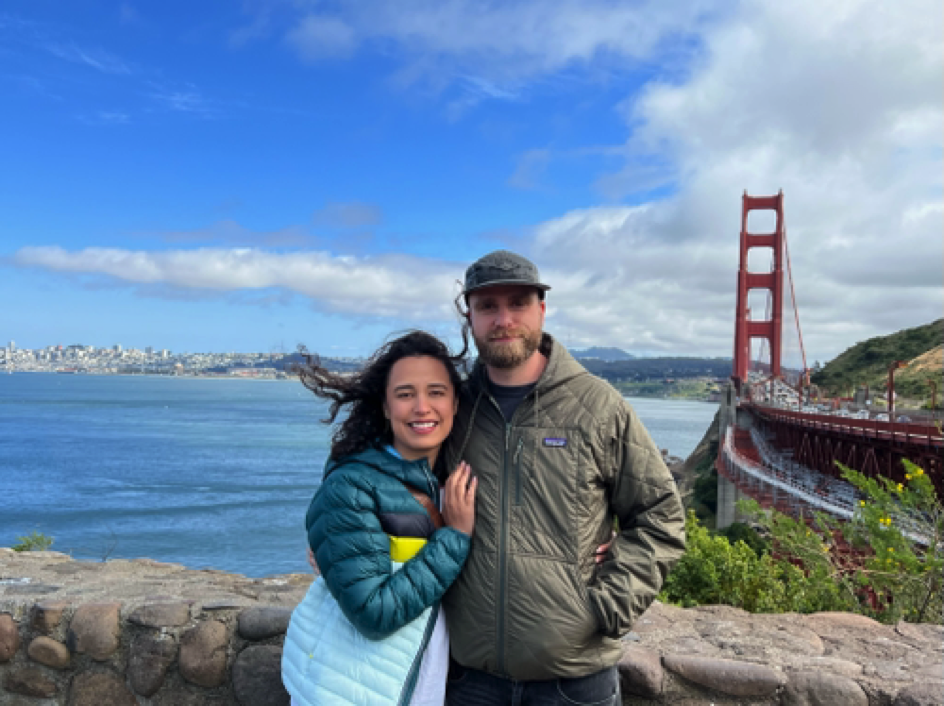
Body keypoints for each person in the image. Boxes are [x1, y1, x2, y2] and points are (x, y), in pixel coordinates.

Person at [441, 250, 687, 705]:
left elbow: (660, 515)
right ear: (470, 317)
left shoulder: (599, 406)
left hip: (574, 680)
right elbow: (387, 463)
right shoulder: (453, 408)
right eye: (488, 307)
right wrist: (339, 529)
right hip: (467, 678)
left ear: (541, 310)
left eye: (518, 303)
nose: (503, 319)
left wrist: (608, 606)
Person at [282, 331, 477, 706]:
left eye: (436, 392)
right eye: (405, 394)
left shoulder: (450, 486)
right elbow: (374, 613)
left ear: (455, 403)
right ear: (385, 407)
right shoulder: (351, 485)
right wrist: (454, 537)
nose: (422, 407)